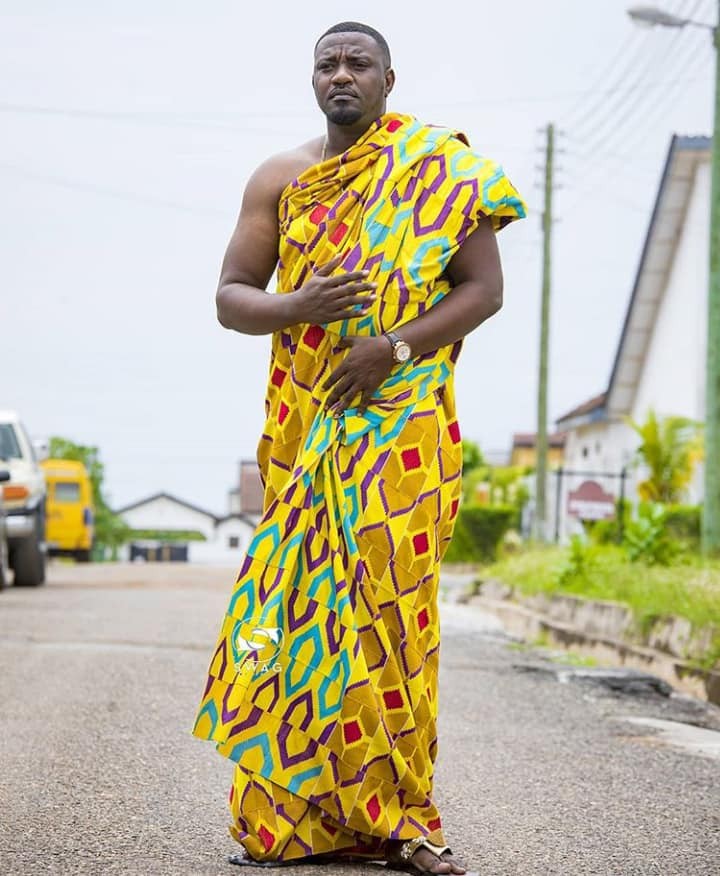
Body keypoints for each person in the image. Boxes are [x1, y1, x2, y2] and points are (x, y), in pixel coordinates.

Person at [193, 21, 526, 875]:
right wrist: (297, 306)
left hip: (403, 434)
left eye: (358, 63)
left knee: (392, 621)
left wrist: (395, 347)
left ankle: (402, 820)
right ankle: (291, 822)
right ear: (313, 80)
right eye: (327, 64)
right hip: (306, 429)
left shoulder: (439, 169)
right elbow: (231, 297)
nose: (341, 74)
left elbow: (484, 290)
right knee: (296, 618)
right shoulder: (280, 178)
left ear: (388, 79)